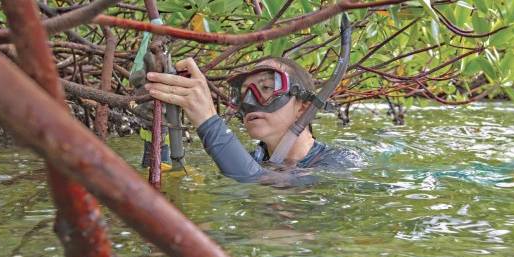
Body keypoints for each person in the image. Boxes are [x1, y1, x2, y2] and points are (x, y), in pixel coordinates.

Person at [143, 56, 365, 183]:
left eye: (266, 88)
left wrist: (208, 120)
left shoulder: (341, 163)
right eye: (243, 93)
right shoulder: (254, 159)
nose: (250, 101)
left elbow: (257, 181)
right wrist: (154, 125)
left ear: (303, 107)